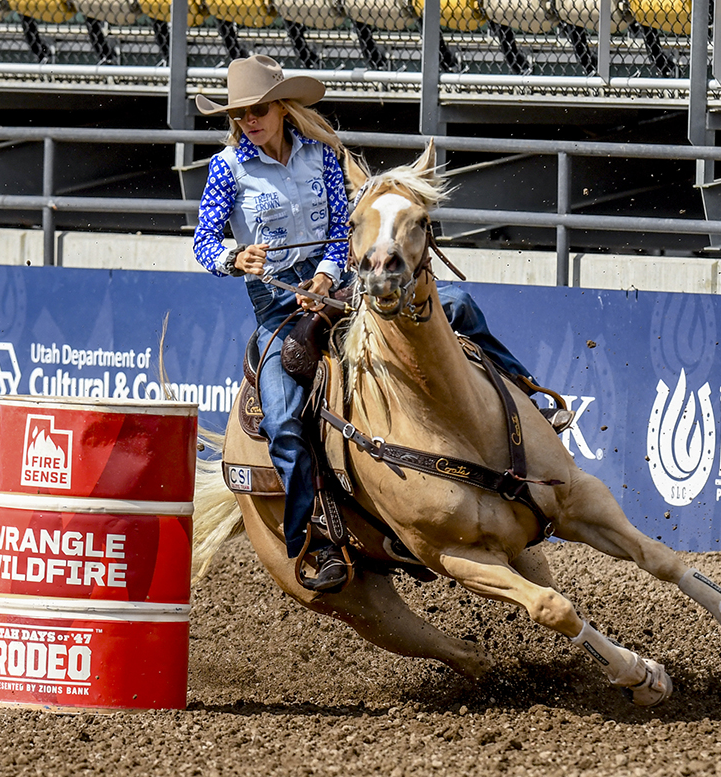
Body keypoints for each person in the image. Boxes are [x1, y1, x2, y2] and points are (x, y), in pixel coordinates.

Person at [193, 55, 569, 594]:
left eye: (259, 110)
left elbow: (343, 227)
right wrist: (235, 257)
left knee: (457, 304)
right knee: (282, 417)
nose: (249, 121)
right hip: (280, 309)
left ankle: (529, 398)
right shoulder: (227, 169)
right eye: (240, 114)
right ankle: (315, 539)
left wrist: (328, 275)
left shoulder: (321, 157)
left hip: (344, 286)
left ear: (281, 109)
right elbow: (204, 242)